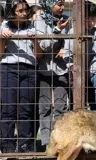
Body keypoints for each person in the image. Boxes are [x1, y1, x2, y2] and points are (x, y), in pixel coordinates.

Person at [0, 0, 41, 153]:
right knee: (8, 108)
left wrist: (34, 40)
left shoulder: (31, 27)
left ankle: (25, 144)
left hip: (29, 69)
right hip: (8, 68)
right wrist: (3, 38)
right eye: (20, 11)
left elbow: (38, 55)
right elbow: (0, 54)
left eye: (25, 10)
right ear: (12, 12)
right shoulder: (4, 26)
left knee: (26, 109)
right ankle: (7, 145)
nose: (24, 13)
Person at [36, 0, 72, 148]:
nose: (62, 8)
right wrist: (57, 30)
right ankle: (46, 142)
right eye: (59, 4)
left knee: (60, 106)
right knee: (44, 107)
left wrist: (65, 48)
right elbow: (44, 45)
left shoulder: (67, 19)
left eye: (63, 4)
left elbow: (72, 38)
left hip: (61, 68)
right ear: (49, 4)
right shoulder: (40, 21)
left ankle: (59, 141)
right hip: (44, 68)